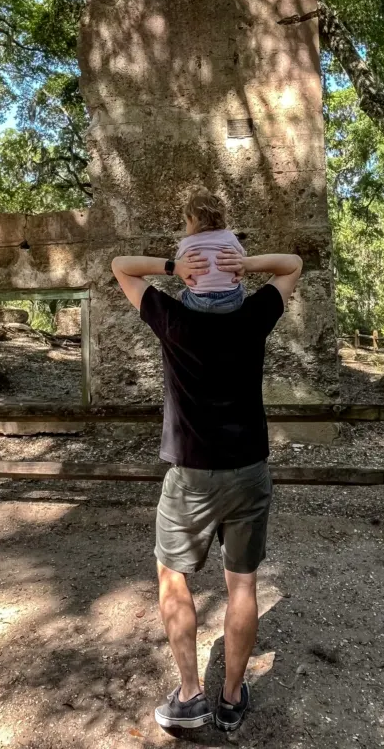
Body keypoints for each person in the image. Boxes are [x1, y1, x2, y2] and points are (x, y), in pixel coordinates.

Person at [111, 237, 303, 733]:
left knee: (173, 577)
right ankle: (232, 699)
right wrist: (249, 263)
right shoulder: (255, 314)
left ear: (192, 276)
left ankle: (191, 695)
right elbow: (293, 264)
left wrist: (176, 268)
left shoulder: (173, 318)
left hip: (190, 473)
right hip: (248, 470)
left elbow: (121, 267)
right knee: (242, 583)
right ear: (236, 274)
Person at [175, 188, 246, 314]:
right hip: (231, 301)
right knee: (241, 289)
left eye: (186, 222)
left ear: (193, 220)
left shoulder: (187, 242)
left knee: (181, 295)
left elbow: (181, 265)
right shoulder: (229, 236)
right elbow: (241, 257)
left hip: (199, 302)